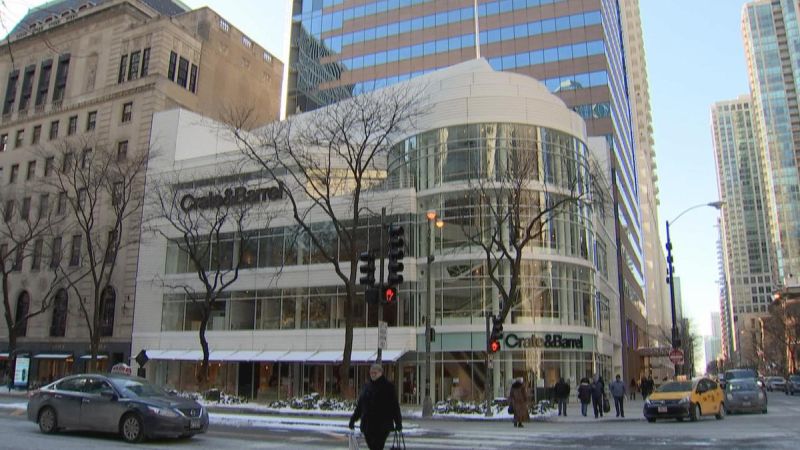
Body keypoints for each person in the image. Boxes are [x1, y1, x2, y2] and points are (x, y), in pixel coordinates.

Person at [349, 364, 402, 450]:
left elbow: (394, 406)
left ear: (381, 373)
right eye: (371, 373)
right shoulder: (366, 386)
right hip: (367, 425)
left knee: (377, 447)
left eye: (375, 373)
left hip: (382, 425)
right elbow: (360, 406)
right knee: (373, 447)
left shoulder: (388, 387)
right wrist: (353, 419)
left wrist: (398, 422)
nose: (373, 374)